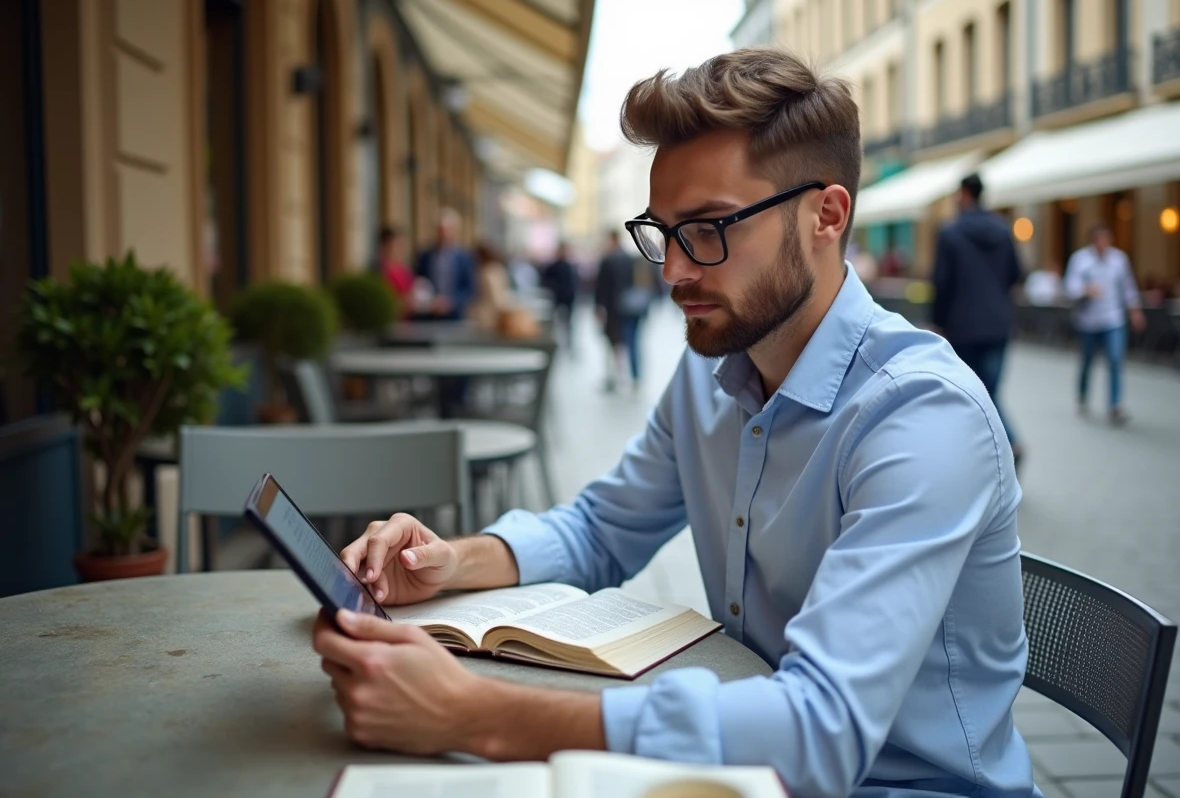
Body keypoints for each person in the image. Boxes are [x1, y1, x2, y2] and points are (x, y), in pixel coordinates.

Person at [312, 48, 1035, 798]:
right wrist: (446, 563)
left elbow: (820, 730)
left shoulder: (920, 415)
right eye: (663, 232)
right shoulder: (712, 371)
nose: (674, 273)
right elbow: (602, 529)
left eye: (711, 229)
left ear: (826, 215)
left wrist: (470, 714)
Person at [932, 173, 1025, 468]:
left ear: (964, 195)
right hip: (999, 323)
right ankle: (996, 451)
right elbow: (1016, 275)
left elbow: (942, 283)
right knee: (989, 390)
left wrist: (938, 321)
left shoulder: (951, 233)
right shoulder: (1003, 230)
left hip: (962, 326)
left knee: (972, 392)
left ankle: (1006, 443)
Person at [1063, 223, 1145, 424]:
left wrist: (1135, 310)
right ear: (1092, 241)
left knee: (1115, 359)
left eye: (1106, 239)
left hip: (1113, 318)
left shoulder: (1119, 259)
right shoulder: (1080, 259)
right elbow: (1069, 286)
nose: (1102, 244)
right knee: (1087, 361)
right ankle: (1082, 396)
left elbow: (1128, 287)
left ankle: (1115, 405)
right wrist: (1085, 289)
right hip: (1088, 320)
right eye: (1099, 239)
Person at [594, 230, 655, 391]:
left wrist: (598, 308)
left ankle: (615, 378)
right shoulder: (632, 259)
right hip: (635, 308)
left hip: (615, 310)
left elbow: (601, 289)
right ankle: (635, 377)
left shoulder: (608, 260)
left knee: (614, 344)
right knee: (634, 342)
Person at [415, 209, 477, 321]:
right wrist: (430, 301)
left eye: (447, 230)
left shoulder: (464, 257)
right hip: (429, 314)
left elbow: (470, 288)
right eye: (440, 230)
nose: (443, 234)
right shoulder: (425, 255)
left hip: (454, 315)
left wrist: (452, 302)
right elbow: (419, 281)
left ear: (455, 231)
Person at [540, 242, 579, 353]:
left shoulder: (570, 266)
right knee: (555, 322)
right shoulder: (553, 267)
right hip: (557, 297)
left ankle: (569, 342)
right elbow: (545, 281)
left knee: (569, 323)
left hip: (569, 297)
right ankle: (556, 342)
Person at [377, 226, 415, 312]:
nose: (399, 248)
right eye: (396, 244)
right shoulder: (380, 268)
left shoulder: (404, 268)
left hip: (408, 317)